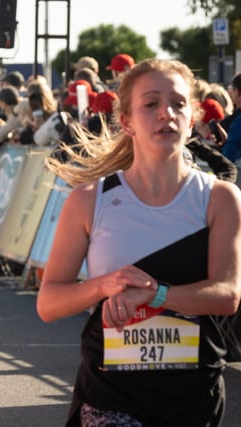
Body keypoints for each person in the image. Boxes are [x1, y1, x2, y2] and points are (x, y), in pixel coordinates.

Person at [36, 58, 241, 426]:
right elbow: (49, 304)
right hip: (110, 395)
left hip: (192, 393)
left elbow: (227, 295)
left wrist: (154, 294)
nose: (167, 113)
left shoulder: (220, 198)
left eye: (178, 104)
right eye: (151, 104)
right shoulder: (89, 200)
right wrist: (104, 285)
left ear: (192, 118)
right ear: (126, 122)